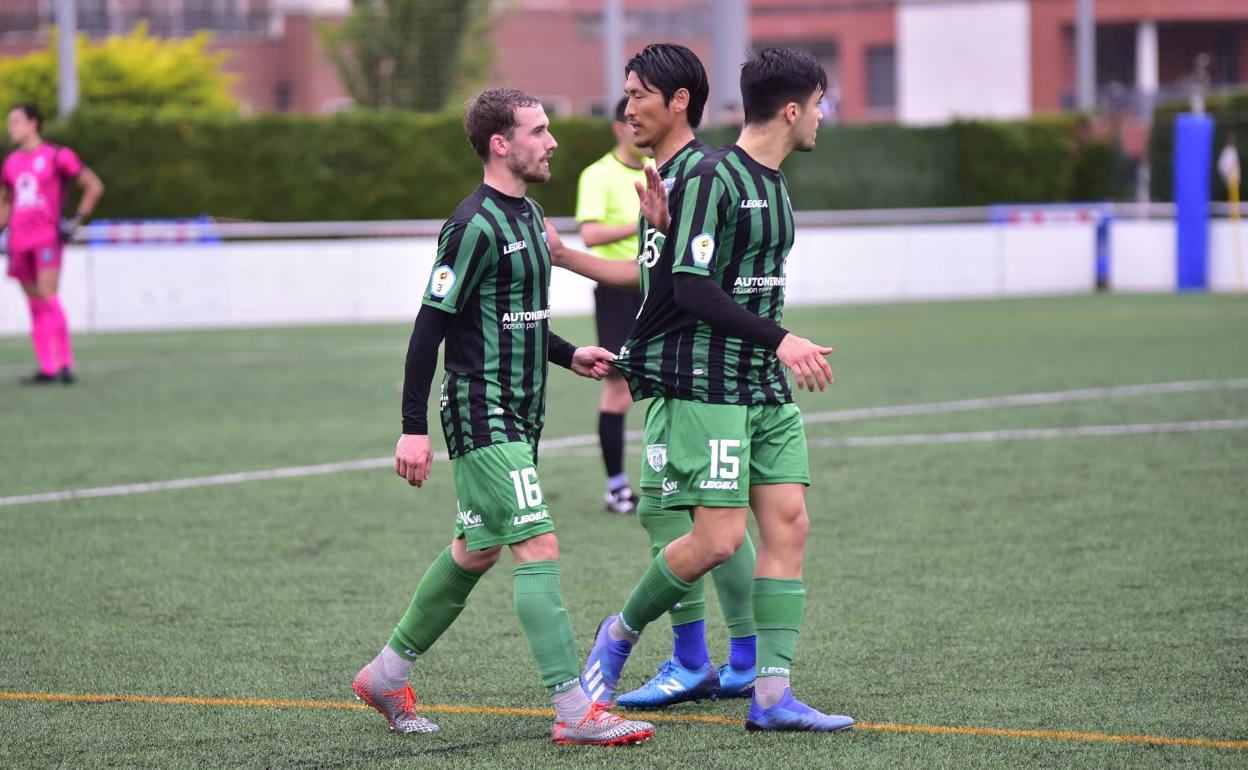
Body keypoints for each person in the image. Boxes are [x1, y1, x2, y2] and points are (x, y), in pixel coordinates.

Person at [351, 88, 654, 747]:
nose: (551, 142)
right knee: (538, 545)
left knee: (477, 550)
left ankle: (385, 674)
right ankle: (574, 710)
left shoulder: (531, 216)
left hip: (521, 413)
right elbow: (429, 328)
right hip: (480, 410)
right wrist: (412, 426)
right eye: (538, 131)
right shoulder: (472, 225)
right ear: (500, 144)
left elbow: (517, 318)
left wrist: (569, 354)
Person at [579, 48, 855, 732]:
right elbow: (693, 288)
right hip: (712, 383)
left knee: (790, 523)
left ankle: (771, 695)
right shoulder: (712, 176)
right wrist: (782, 339)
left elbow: (712, 266)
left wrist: (668, 230)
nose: (822, 117)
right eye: (819, 105)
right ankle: (618, 634)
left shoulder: (774, 182)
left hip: (763, 386)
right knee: (718, 538)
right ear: (791, 110)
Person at [546, 43, 759, 709]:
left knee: (711, 523)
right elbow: (650, 275)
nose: (628, 106)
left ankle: (728, 658)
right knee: (674, 514)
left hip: (700, 376)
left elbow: (706, 282)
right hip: (671, 374)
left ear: (679, 101)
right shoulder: (666, 177)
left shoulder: (700, 175)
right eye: (629, 93)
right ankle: (706, 661)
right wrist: (564, 256)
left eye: (639, 94)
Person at [575, 96, 649, 514]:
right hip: (616, 291)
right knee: (618, 390)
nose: (640, 130)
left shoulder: (660, 169)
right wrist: (641, 220)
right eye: (633, 123)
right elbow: (590, 235)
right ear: (619, 128)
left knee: (674, 382)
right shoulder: (597, 174)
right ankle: (617, 489)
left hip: (660, 288)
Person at [0, 103, 104, 385]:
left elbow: (94, 185)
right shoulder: (10, 163)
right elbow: (6, 201)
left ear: (33, 123)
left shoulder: (57, 156)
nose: (11, 128)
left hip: (46, 238)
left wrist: (75, 221)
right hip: (18, 241)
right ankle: (47, 366)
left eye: (16, 121)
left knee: (48, 296)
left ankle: (66, 363)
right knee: (34, 303)